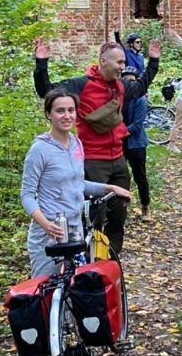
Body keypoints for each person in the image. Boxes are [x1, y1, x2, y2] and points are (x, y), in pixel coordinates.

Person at [12, 88, 132, 356]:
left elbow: (77, 185)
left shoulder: (76, 144)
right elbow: (27, 195)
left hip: (75, 233)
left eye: (70, 111)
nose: (66, 116)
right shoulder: (40, 149)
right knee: (39, 298)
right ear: (48, 114)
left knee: (70, 296)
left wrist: (108, 187)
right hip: (47, 237)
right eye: (60, 111)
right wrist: (42, 222)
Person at [33, 37, 161, 257]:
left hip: (118, 160)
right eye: (119, 63)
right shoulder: (80, 85)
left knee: (120, 211)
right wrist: (41, 63)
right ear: (103, 61)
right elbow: (47, 91)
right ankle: (88, 259)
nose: (122, 67)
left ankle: (111, 258)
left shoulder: (120, 87)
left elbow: (140, 88)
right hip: (93, 160)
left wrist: (153, 62)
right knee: (94, 216)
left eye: (123, 63)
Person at [120, 64, 151, 217]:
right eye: (126, 80)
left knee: (140, 176)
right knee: (121, 177)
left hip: (136, 144)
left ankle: (145, 206)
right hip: (120, 143)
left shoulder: (140, 100)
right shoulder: (118, 98)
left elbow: (137, 125)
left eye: (132, 81)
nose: (129, 84)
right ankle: (121, 208)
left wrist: (117, 133)